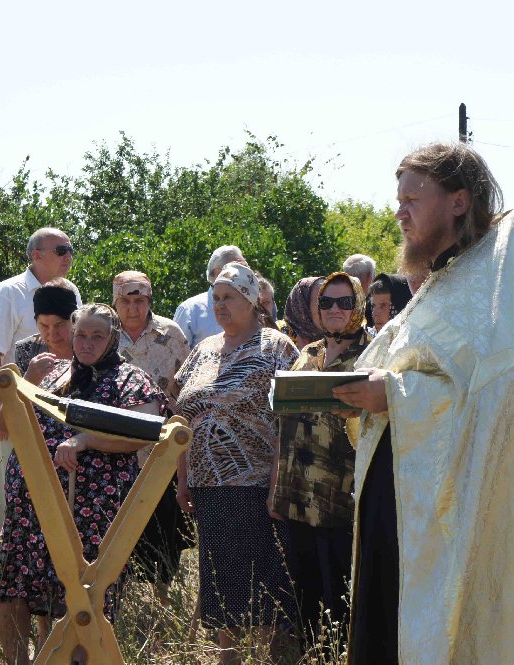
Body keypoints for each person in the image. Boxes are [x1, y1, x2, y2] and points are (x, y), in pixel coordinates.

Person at [333, 143, 514, 663]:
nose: (399, 213)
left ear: (458, 202)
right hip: (398, 495)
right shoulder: (441, 284)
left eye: (412, 200)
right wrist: (365, 395)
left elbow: (490, 400)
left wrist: (392, 394)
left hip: (442, 517)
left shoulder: (486, 289)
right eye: (398, 201)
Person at [0, 304, 165, 665]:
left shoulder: (130, 379)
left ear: (113, 338)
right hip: (30, 508)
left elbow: (144, 432)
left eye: (97, 336)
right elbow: (7, 424)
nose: (87, 343)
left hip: (90, 510)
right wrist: (27, 381)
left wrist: (86, 440)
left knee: (81, 596)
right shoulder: (54, 373)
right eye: (81, 334)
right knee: (11, 588)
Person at [173, 261, 298, 664]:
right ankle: (226, 657)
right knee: (219, 579)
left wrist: (278, 484)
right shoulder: (203, 349)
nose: (220, 306)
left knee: (259, 582)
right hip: (208, 485)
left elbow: (290, 421)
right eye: (216, 298)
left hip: (256, 484)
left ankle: (261, 657)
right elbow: (181, 418)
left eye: (229, 297)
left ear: (252, 301)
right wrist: (182, 478)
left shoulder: (276, 347)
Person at [269, 271, 369, 647]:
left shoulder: (373, 353)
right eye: (326, 302)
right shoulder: (309, 353)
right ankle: (311, 653)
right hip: (299, 492)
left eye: (345, 302)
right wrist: (278, 487)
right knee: (306, 589)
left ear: (358, 305)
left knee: (341, 590)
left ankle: (341, 653)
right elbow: (284, 422)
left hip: (345, 495)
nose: (334, 309)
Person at [0, 227, 80, 556]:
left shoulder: (71, 291)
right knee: (9, 487)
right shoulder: (9, 292)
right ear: (36, 255)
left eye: (70, 249)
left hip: (62, 410)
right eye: (61, 250)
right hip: (18, 405)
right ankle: (3, 560)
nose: (69, 256)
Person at [111, 270, 192, 603]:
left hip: (163, 451)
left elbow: (186, 387)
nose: (133, 309)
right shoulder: (105, 333)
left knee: (165, 527)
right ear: (115, 302)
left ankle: (163, 596)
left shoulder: (170, 333)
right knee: (120, 527)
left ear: (149, 301)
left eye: (140, 301)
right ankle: (121, 596)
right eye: (126, 301)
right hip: (116, 450)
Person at [173, 244, 245, 348]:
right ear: (217, 273)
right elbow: (176, 353)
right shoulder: (190, 310)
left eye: (245, 268)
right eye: (237, 269)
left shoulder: (252, 306)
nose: (244, 274)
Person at [279, 276, 325, 349]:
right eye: (322, 301)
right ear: (302, 304)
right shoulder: (280, 335)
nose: (331, 308)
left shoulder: (334, 337)